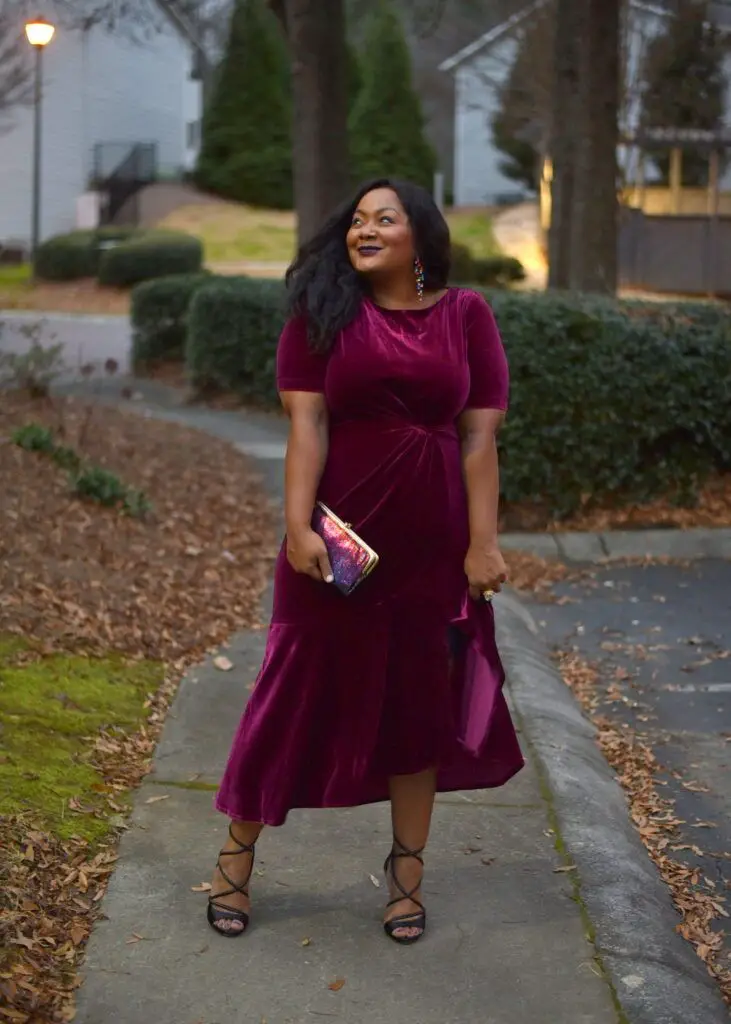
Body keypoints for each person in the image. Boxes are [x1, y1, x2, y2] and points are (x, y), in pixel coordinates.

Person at [206, 177, 524, 944]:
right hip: (338, 544)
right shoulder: (322, 314)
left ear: (420, 235)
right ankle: (232, 863)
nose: (364, 229)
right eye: (355, 220)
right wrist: (296, 527)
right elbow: (306, 427)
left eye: (384, 218)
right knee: (290, 699)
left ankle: (405, 880)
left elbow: (479, 440)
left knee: (419, 709)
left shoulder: (465, 315)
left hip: (432, 549)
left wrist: (482, 543)